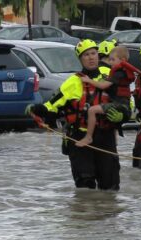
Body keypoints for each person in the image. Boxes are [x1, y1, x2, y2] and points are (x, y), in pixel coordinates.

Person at [25, 39, 124, 191]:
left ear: (98, 55)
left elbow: (126, 104)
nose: (91, 58)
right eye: (86, 55)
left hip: (106, 139)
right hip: (79, 139)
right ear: (80, 59)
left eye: (93, 53)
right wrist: (36, 109)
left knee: (110, 187)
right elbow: (52, 106)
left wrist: (122, 115)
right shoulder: (72, 82)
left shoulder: (110, 77)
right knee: (85, 187)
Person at [76, 46, 134, 147]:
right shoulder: (121, 72)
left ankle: (88, 137)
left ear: (122, 60)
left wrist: (89, 80)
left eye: (113, 60)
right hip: (122, 104)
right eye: (109, 59)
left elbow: (103, 85)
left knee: (92, 110)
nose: (110, 62)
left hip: (119, 105)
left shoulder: (119, 74)